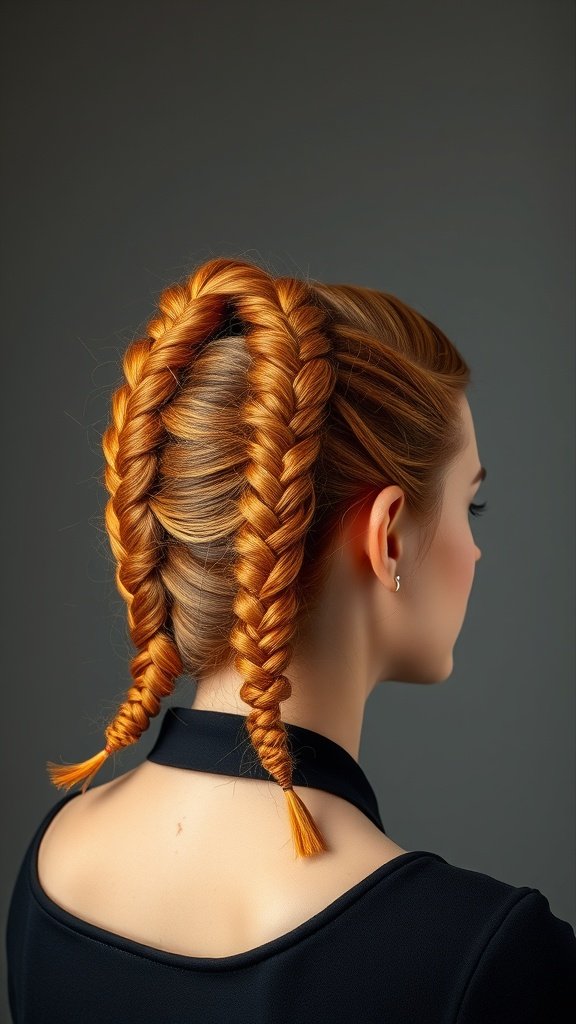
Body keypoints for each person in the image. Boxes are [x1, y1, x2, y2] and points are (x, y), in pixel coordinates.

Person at [6, 256, 576, 1021]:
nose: (476, 553)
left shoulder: (52, 865)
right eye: (470, 508)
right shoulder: (486, 956)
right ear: (390, 541)